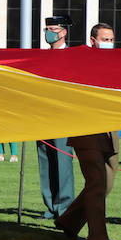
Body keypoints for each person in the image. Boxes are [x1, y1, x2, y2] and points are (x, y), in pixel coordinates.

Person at [37, 15, 76, 219]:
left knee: (62, 162)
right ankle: (51, 205)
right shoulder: (42, 57)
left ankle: (64, 206)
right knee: (45, 162)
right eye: (47, 29)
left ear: (63, 32)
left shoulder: (71, 57)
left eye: (52, 29)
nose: (48, 33)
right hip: (42, 118)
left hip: (61, 118)